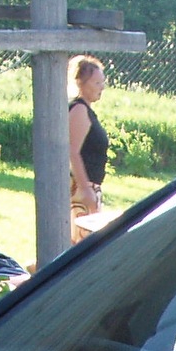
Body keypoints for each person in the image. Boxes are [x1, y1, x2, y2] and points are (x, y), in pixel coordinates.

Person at [67, 55, 109, 244]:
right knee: (78, 246)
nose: (102, 87)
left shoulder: (87, 111)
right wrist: (85, 189)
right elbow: (73, 151)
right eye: (97, 82)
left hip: (90, 187)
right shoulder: (79, 110)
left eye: (102, 82)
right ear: (81, 83)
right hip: (82, 189)